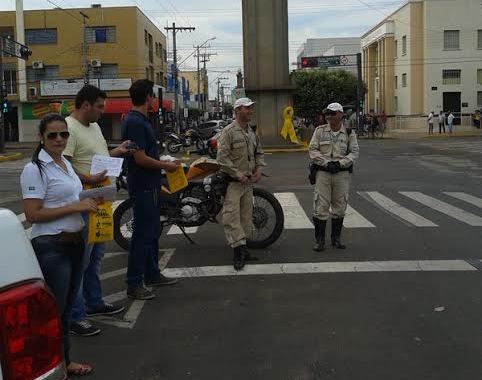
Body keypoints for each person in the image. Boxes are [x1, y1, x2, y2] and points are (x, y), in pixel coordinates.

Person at [20, 114, 97, 376]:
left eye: (63, 134)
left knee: (64, 313)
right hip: (52, 247)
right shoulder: (35, 168)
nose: (59, 139)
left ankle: (64, 361)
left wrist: (89, 198)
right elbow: (32, 214)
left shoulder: (64, 162)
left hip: (75, 243)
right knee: (53, 312)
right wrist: (75, 206)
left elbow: (75, 193)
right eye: (52, 135)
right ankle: (45, 366)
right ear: (41, 138)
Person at [63, 85, 130, 336]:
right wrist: (87, 179)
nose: (103, 112)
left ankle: (94, 302)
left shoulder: (94, 127)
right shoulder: (69, 127)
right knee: (81, 260)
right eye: (100, 107)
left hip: (102, 202)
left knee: (97, 257)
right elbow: (65, 164)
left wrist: (117, 152)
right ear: (85, 104)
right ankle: (76, 315)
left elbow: (97, 156)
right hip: (85, 202)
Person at [121, 79, 179, 300]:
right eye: (152, 95)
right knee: (143, 235)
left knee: (153, 232)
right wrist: (167, 166)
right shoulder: (135, 122)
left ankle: (152, 273)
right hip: (143, 185)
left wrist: (162, 163)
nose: (154, 99)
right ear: (147, 97)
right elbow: (140, 158)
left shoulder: (141, 120)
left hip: (151, 184)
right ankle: (134, 283)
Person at [217, 97, 266, 270]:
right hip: (233, 183)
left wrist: (259, 170)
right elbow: (222, 158)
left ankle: (243, 250)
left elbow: (259, 153)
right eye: (247, 108)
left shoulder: (251, 133)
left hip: (248, 183)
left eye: (251, 108)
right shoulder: (228, 131)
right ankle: (237, 252)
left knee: (246, 218)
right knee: (231, 217)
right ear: (238, 110)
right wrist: (237, 175)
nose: (250, 111)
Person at [309, 102, 359, 252]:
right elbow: (312, 150)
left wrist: (340, 164)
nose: (329, 116)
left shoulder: (349, 133)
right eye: (327, 113)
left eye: (332, 113)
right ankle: (320, 240)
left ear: (341, 115)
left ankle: (336, 239)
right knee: (320, 207)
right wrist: (326, 163)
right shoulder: (319, 131)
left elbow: (354, 153)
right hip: (323, 173)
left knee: (340, 206)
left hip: (341, 174)